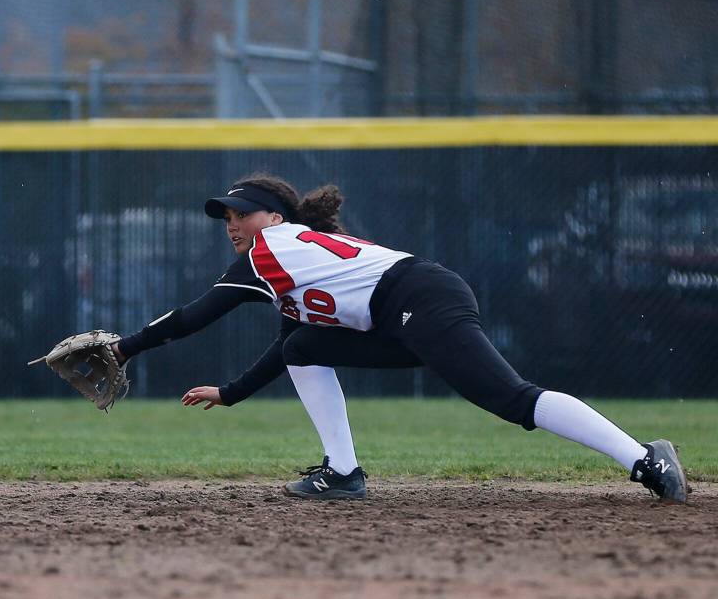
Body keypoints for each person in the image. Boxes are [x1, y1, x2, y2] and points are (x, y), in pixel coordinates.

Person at [109, 174, 687, 502]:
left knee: (510, 398)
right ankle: (342, 472)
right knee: (303, 347)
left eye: (241, 212)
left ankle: (644, 459)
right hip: (407, 309)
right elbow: (291, 345)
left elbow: (194, 316)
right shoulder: (290, 261)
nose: (231, 223)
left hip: (419, 302)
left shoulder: (268, 252)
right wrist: (233, 393)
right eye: (225, 215)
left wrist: (123, 348)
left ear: (274, 218)